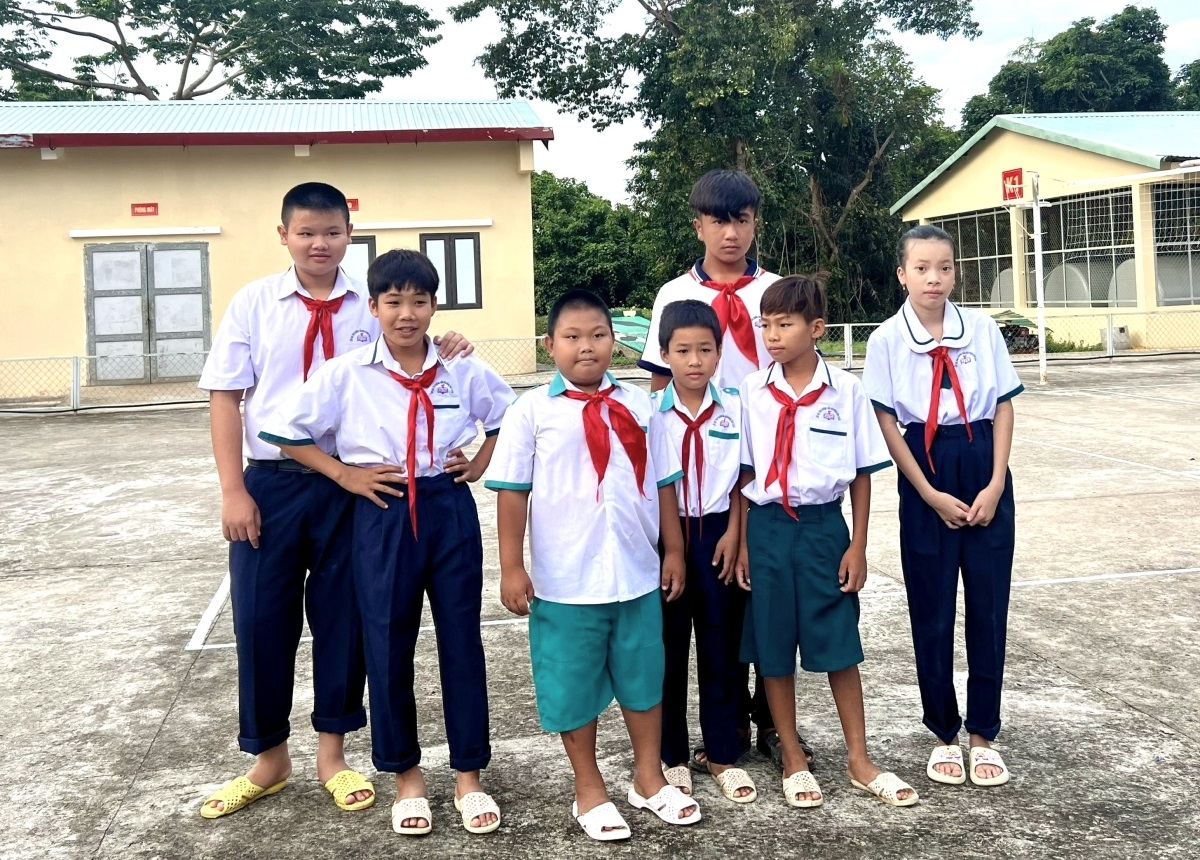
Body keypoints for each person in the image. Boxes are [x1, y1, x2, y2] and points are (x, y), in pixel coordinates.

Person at [197, 184, 469, 819]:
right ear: (284, 235)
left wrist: (454, 344)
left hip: (360, 481)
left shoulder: (370, 304)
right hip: (272, 480)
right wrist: (233, 489)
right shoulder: (254, 304)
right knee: (260, 619)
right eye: (306, 233)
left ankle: (332, 754)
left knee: (345, 618)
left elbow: (418, 350)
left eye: (332, 232)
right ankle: (268, 758)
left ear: (350, 233)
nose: (319, 244)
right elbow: (224, 396)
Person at [258, 249, 511, 835]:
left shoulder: (460, 367)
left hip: (447, 509)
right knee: (387, 643)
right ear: (371, 307)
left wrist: (479, 462)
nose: (406, 314)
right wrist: (345, 474)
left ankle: (469, 775)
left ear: (433, 306)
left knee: (461, 641)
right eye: (393, 301)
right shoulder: (348, 372)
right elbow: (282, 432)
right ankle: (407, 776)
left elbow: (507, 415)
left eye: (419, 301)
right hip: (382, 509)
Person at [486, 289, 700, 842]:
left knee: (643, 678)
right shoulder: (530, 410)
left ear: (615, 341)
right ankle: (589, 787)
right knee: (572, 684)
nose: (587, 348)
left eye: (599, 336)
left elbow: (664, 485)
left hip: (634, 574)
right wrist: (512, 566)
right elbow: (512, 493)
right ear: (550, 344)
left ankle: (648, 778)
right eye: (573, 337)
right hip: (566, 580)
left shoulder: (641, 406)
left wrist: (672, 550)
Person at [637, 168, 809, 772]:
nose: (730, 233)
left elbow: (792, 372)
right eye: (718, 220)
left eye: (741, 219)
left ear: (755, 221)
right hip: (695, 477)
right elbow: (659, 391)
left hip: (766, 468)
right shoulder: (673, 295)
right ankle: (707, 735)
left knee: (757, 605)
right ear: (699, 225)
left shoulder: (778, 292)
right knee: (707, 612)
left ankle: (765, 722)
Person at [736, 274, 918, 809]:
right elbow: (744, 473)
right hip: (767, 529)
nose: (772, 335)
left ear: (815, 328)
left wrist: (857, 544)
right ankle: (791, 755)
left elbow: (862, 473)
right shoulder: (751, 392)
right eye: (765, 324)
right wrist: (744, 542)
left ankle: (859, 759)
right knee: (773, 648)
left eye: (784, 324)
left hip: (823, 530)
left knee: (839, 644)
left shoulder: (848, 391)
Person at [862, 224, 1022, 788]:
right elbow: (886, 421)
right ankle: (944, 732)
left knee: (988, 606)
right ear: (902, 273)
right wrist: (927, 493)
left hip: (982, 462)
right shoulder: (886, 339)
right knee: (931, 609)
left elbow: (1003, 406)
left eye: (945, 267)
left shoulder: (981, 328)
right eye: (922, 268)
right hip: (924, 468)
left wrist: (996, 483)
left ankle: (983, 732)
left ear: (956, 272)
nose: (935, 278)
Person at [650, 300, 756, 804]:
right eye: (683, 351)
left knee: (721, 645)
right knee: (667, 650)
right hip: (666, 539)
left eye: (705, 350)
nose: (694, 361)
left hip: (719, 534)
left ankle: (721, 753)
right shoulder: (649, 413)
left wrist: (736, 535)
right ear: (665, 354)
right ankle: (670, 756)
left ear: (719, 354)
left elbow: (743, 475)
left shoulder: (737, 406)